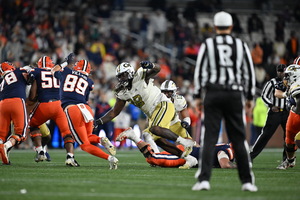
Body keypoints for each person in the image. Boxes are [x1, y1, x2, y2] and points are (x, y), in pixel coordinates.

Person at [192, 11, 257, 192]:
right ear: (231, 26)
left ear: (215, 27)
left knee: (209, 137)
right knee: (238, 138)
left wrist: (198, 95)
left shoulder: (208, 44)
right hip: (234, 94)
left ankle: (204, 179)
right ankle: (247, 182)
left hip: (213, 93)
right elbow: (249, 72)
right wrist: (250, 97)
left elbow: (200, 72)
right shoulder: (240, 44)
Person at [94, 61, 195, 164]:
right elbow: (114, 112)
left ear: (130, 72)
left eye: (123, 74)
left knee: (154, 129)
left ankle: (185, 142)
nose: (121, 78)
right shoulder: (122, 92)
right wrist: (98, 122)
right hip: (152, 114)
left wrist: (150, 65)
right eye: (119, 76)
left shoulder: (140, 76)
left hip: (162, 103)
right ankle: (188, 158)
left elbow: (157, 69)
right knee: (156, 139)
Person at [51, 56, 118, 169]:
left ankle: (110, 158)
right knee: (87, 136)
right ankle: (100, 139)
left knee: (84, 145)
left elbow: (54, 70)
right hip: (86, 109)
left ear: (76, 66)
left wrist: (65, 63)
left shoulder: (67, 71)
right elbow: (85, 97)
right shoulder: (89, 81)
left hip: (73, 109)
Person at [27, 56, 79, 166]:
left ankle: (40, 151)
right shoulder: (59, 71)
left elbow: (32, 96)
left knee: (33, 124)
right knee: (66, 132)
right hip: (59, 105)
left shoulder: (36, 71)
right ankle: (70, 157)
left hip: (45, 105)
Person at [116, 127, 235, 169]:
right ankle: (134, 136)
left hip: (190, 151)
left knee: (157, 161)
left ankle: (150, 139)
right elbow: (225, 164)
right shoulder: (226, 150)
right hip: (187, 156)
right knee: (153, 159)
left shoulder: (225, 146)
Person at [250, 64, 288, 163]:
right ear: (277, 72)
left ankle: (287, 159)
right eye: (280, 71)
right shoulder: (272, 82)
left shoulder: (290, 82)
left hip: (287, 112)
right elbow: (264, 96)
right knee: (265, 135)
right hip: (275, 112)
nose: (281, 73)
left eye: (283, 71)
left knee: (288, 136)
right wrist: (271, 106)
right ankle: (250, 156)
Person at [0, 62, 29, 164]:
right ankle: (6, 145)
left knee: (2, 134)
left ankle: (2, 146)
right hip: (17, 101)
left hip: (2, 104)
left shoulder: (2, 81)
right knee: (21, 133)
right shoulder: (20, 71)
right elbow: (31, 73)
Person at [274, 59, 300, 169]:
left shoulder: (296, 85)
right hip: (294, 114)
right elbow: (277, 92)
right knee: (288, 140)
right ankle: (290, 160)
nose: (285, 78)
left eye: (287, 76)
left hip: (297, 112)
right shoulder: (290, 84)